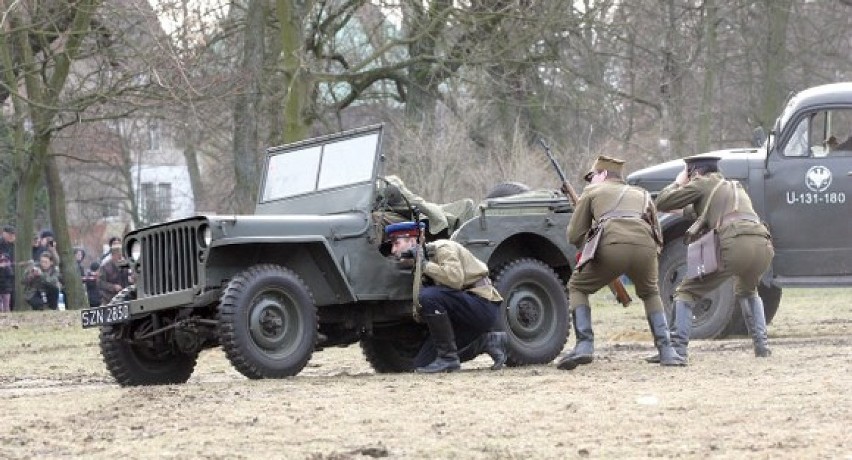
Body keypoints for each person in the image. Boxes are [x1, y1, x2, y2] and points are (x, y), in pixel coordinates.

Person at [555, 155, 683, 370]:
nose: (590, 181)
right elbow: (657, 233)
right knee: (651, 293)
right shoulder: (641, 193)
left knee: (577, 286)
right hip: (646, 247)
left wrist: (591, 243)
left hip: (612, 246)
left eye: (592, 176)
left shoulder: (592, 192)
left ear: (603, 174)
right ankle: (667, 350)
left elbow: (574, 235)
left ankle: (585, 345)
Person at [654, 155, 774, 360]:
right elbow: (701, 211)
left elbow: (663, 201)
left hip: (735, 243)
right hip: (762, 245)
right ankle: (761, 346)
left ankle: (677, 349)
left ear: (696, 172)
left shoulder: (702, 182)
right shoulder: (733, 186)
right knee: (748, 290)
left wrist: (679, 181)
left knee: (686, 292)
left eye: (689, 175)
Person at [386, 221, 507, 373]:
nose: (393, 249)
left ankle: (448, 359)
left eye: (397, 243)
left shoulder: (442, 248)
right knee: (421, 364)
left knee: (429, 296)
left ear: (412, 241)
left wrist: (424, 264)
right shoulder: (417, 262)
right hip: (462, 314)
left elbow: (455, 280)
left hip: (481, 304)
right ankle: (486, 343)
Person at [0, 225, 15, 311]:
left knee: (7, 302)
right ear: (4, 233)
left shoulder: (12, 245)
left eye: (12, 234)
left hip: (7, 275)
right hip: (2, 273)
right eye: (9, 234)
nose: (11, 236)